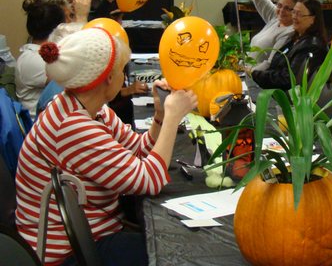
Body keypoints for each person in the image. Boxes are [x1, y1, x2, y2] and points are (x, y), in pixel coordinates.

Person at [15, 28, 197, 266]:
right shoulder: (72, 127)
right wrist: (174, 117)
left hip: (95, 232)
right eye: (123, 71)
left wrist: (160, 116)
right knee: (178, 253)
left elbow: (139, 150)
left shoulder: (93, 110)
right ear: (109, 78)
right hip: (68, 254)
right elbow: (150, 180)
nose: (125, 78)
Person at [251, 0, 328, 90]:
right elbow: (276, 64)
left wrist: (255, 74)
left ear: (313, 19)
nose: (294, 17)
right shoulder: (295, 38)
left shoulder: (312, 46)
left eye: (299, 14)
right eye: (294, 12)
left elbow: (289, 79)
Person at [15, 0, 65, 118]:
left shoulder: (40, 54)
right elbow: (74, 80)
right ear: (57, 29)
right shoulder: (32, 59)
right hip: (38, 127)